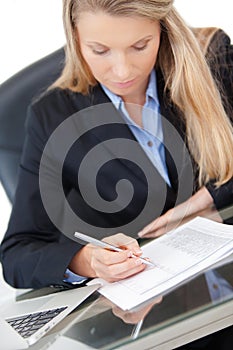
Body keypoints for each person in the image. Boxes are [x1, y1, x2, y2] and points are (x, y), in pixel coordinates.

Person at [0, 0, 233, 294]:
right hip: (160, 313)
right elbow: (17, 253)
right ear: (74, 37)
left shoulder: (212, 57)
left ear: (162, 28)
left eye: (140, 46)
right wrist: (85, 261)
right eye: (100, 51)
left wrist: (212, 197)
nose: (122, 71)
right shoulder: (52, 117)